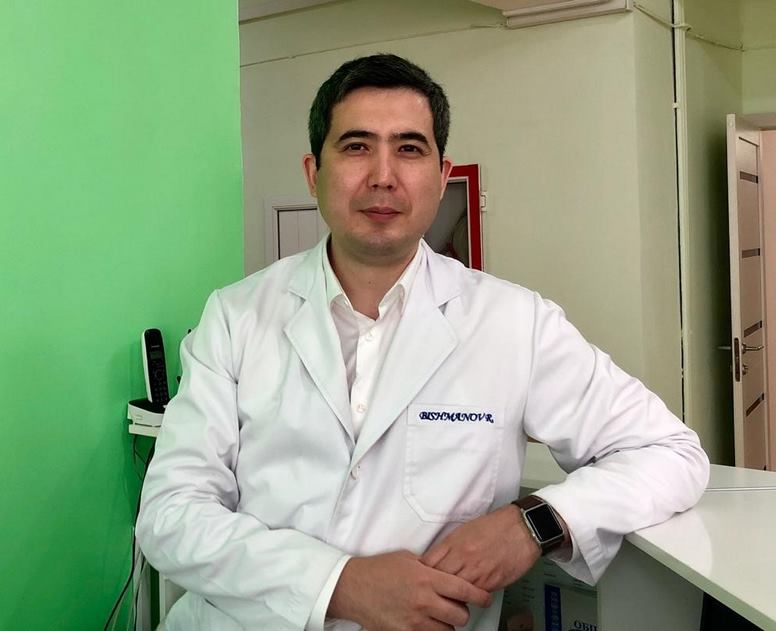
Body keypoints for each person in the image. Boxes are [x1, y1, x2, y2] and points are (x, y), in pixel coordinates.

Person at [136, 54, 709, 631]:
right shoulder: (235, 316)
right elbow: (169, 513)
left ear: (441, 175)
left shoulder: (515, 323)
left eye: (409, 149)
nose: (383, 175)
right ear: (313, 173)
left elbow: (670, 454)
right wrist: (336, 584)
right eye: (356, 146)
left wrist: (533, 523)